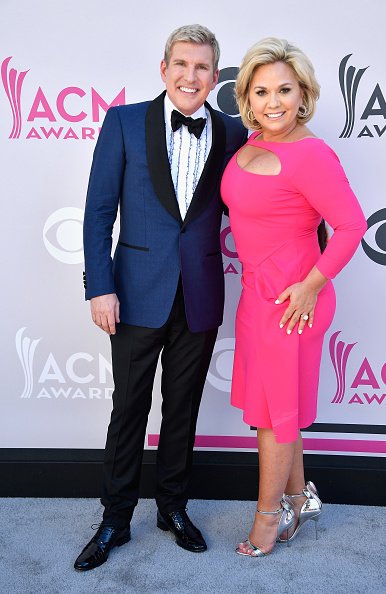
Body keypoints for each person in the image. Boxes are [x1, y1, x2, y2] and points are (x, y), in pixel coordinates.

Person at [74, 24, 247, 571]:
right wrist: (100, 287)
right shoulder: (124, 122)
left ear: (214, 76)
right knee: (128, 409)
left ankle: (173, 508)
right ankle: (115, 519)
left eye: (201, 67)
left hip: (199, 294)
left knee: (183, 411)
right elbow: (99, 211)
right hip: (133, 293)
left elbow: (262, 201)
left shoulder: (233, 133)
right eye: (181, 64)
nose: (190, 75)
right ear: (164, 69)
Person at [221, 37, 367, 557]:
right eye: (261, 91)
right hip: (257, 295)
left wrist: (310, 286)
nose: (273, 101)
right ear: (247, 98)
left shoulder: (312, 155)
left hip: (293, 300)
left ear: (303, 93)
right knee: (277, 408)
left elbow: (351, 226)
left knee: (272, 416)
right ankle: (299, 499)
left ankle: (267, 518)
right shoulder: (254, 141)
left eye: (284, 89)